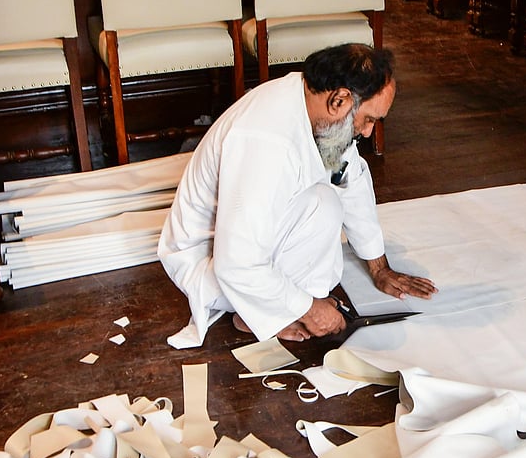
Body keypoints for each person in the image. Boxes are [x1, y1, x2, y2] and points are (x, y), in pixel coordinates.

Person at [158, 43, 437, 348]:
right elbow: (236, 263)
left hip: (238, 246)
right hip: (209, 261)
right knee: (322, 207)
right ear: (340, 99)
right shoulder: (266, 141)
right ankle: (254, 314)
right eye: (369, 119)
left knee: (326, 203)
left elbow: (349, 180)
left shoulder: (313, 103)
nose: (368, 133)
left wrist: (379, 267)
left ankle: (268, 307)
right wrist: (308, 307)